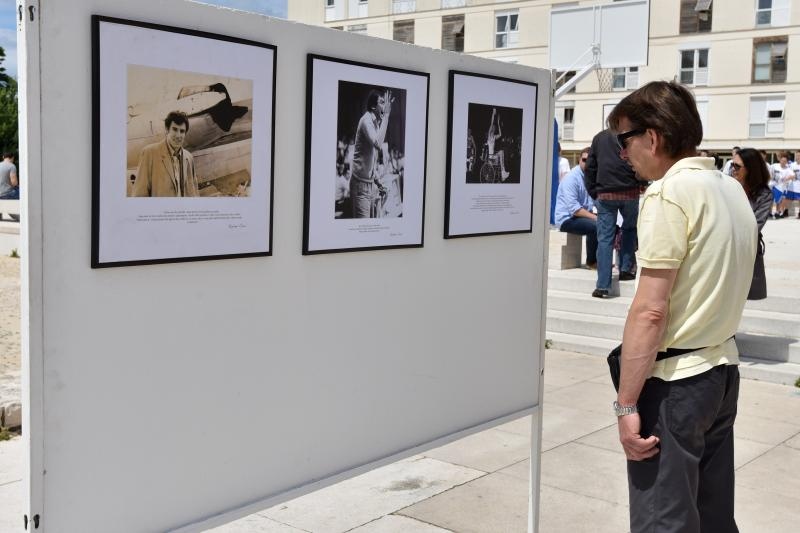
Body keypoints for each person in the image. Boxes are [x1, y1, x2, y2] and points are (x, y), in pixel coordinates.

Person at [608, 81, 756, 533]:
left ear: (652, 137)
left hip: (677, 383)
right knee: (712, 516)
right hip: (721, 371)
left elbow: (651, 310)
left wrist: (625, 404)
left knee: (665, 520)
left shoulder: (669, 193)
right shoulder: (730, 189)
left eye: (624, 139)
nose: (622, 153)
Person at [584, 129, 640, 298]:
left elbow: (590, 167)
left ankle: (603, 286)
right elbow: (641, 160)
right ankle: (626, 269)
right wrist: (641, 182)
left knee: (605, 238)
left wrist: (594, 191)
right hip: (630, 191)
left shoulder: (599, 138)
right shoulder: (633, 135)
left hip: (606, 193)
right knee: (629, 229)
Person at [731, 148, 773, 300]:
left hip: (745, 252)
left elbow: (755, 225)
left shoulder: (764, 195)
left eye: (737, 166)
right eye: (732, 165)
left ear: (751, 169)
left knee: (741, 298)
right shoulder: (726, 186)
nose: (732, 169)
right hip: (721, 250)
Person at [132, 111, 199, 197]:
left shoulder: (189, 157)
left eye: (182, 131)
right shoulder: (149, 153)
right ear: (167, 130)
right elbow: (139, 194)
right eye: (175, 129)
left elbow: (194, 192)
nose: (178, 135)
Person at [351, 89, 392, 218]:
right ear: (373, 106)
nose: (385, 106)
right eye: (382, 102)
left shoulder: (375, 123)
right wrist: (386, 117)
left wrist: (378, 182)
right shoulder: (366, 120)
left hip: (370, 184)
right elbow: (378, 144)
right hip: (360, 186)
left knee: (372, 227)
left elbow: (372, 158)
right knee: (363, 231)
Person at [554, 147, 596, 268]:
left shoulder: (589, 177)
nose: (587, 163)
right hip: (567, 219)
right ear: (579, 160)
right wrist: (595, 217)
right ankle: (592, 262)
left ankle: (603, 260)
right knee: (596, 226)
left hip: (579, 217)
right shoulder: (572, 178)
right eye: (584, 160)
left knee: (608, 223)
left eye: (590, 160)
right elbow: (575, 210)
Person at [486, 108, 510, 181]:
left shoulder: (493, 137)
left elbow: (500, 134)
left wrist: (499, 123)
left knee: (501, 152)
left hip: (493, 156)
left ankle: (503, 173)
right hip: (490, 157)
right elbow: (491, 123)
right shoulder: (490, 136)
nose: (493, 128)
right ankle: (503, 173)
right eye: (492, 127)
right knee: (501, 152)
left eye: (494, 127)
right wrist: (493, 113)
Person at [769, 152, 794, 218]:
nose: (783, 162)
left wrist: (787, 178)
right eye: (782, 160)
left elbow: (793, 175)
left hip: (781, 187)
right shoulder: (774, 165)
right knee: (771, 199)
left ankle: (777, 212)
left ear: (787, 162)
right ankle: (770, 213)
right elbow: (769, 172)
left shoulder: (788, 169)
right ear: (780, 160)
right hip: (772, 185)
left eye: (785, 161)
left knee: (779, 200)